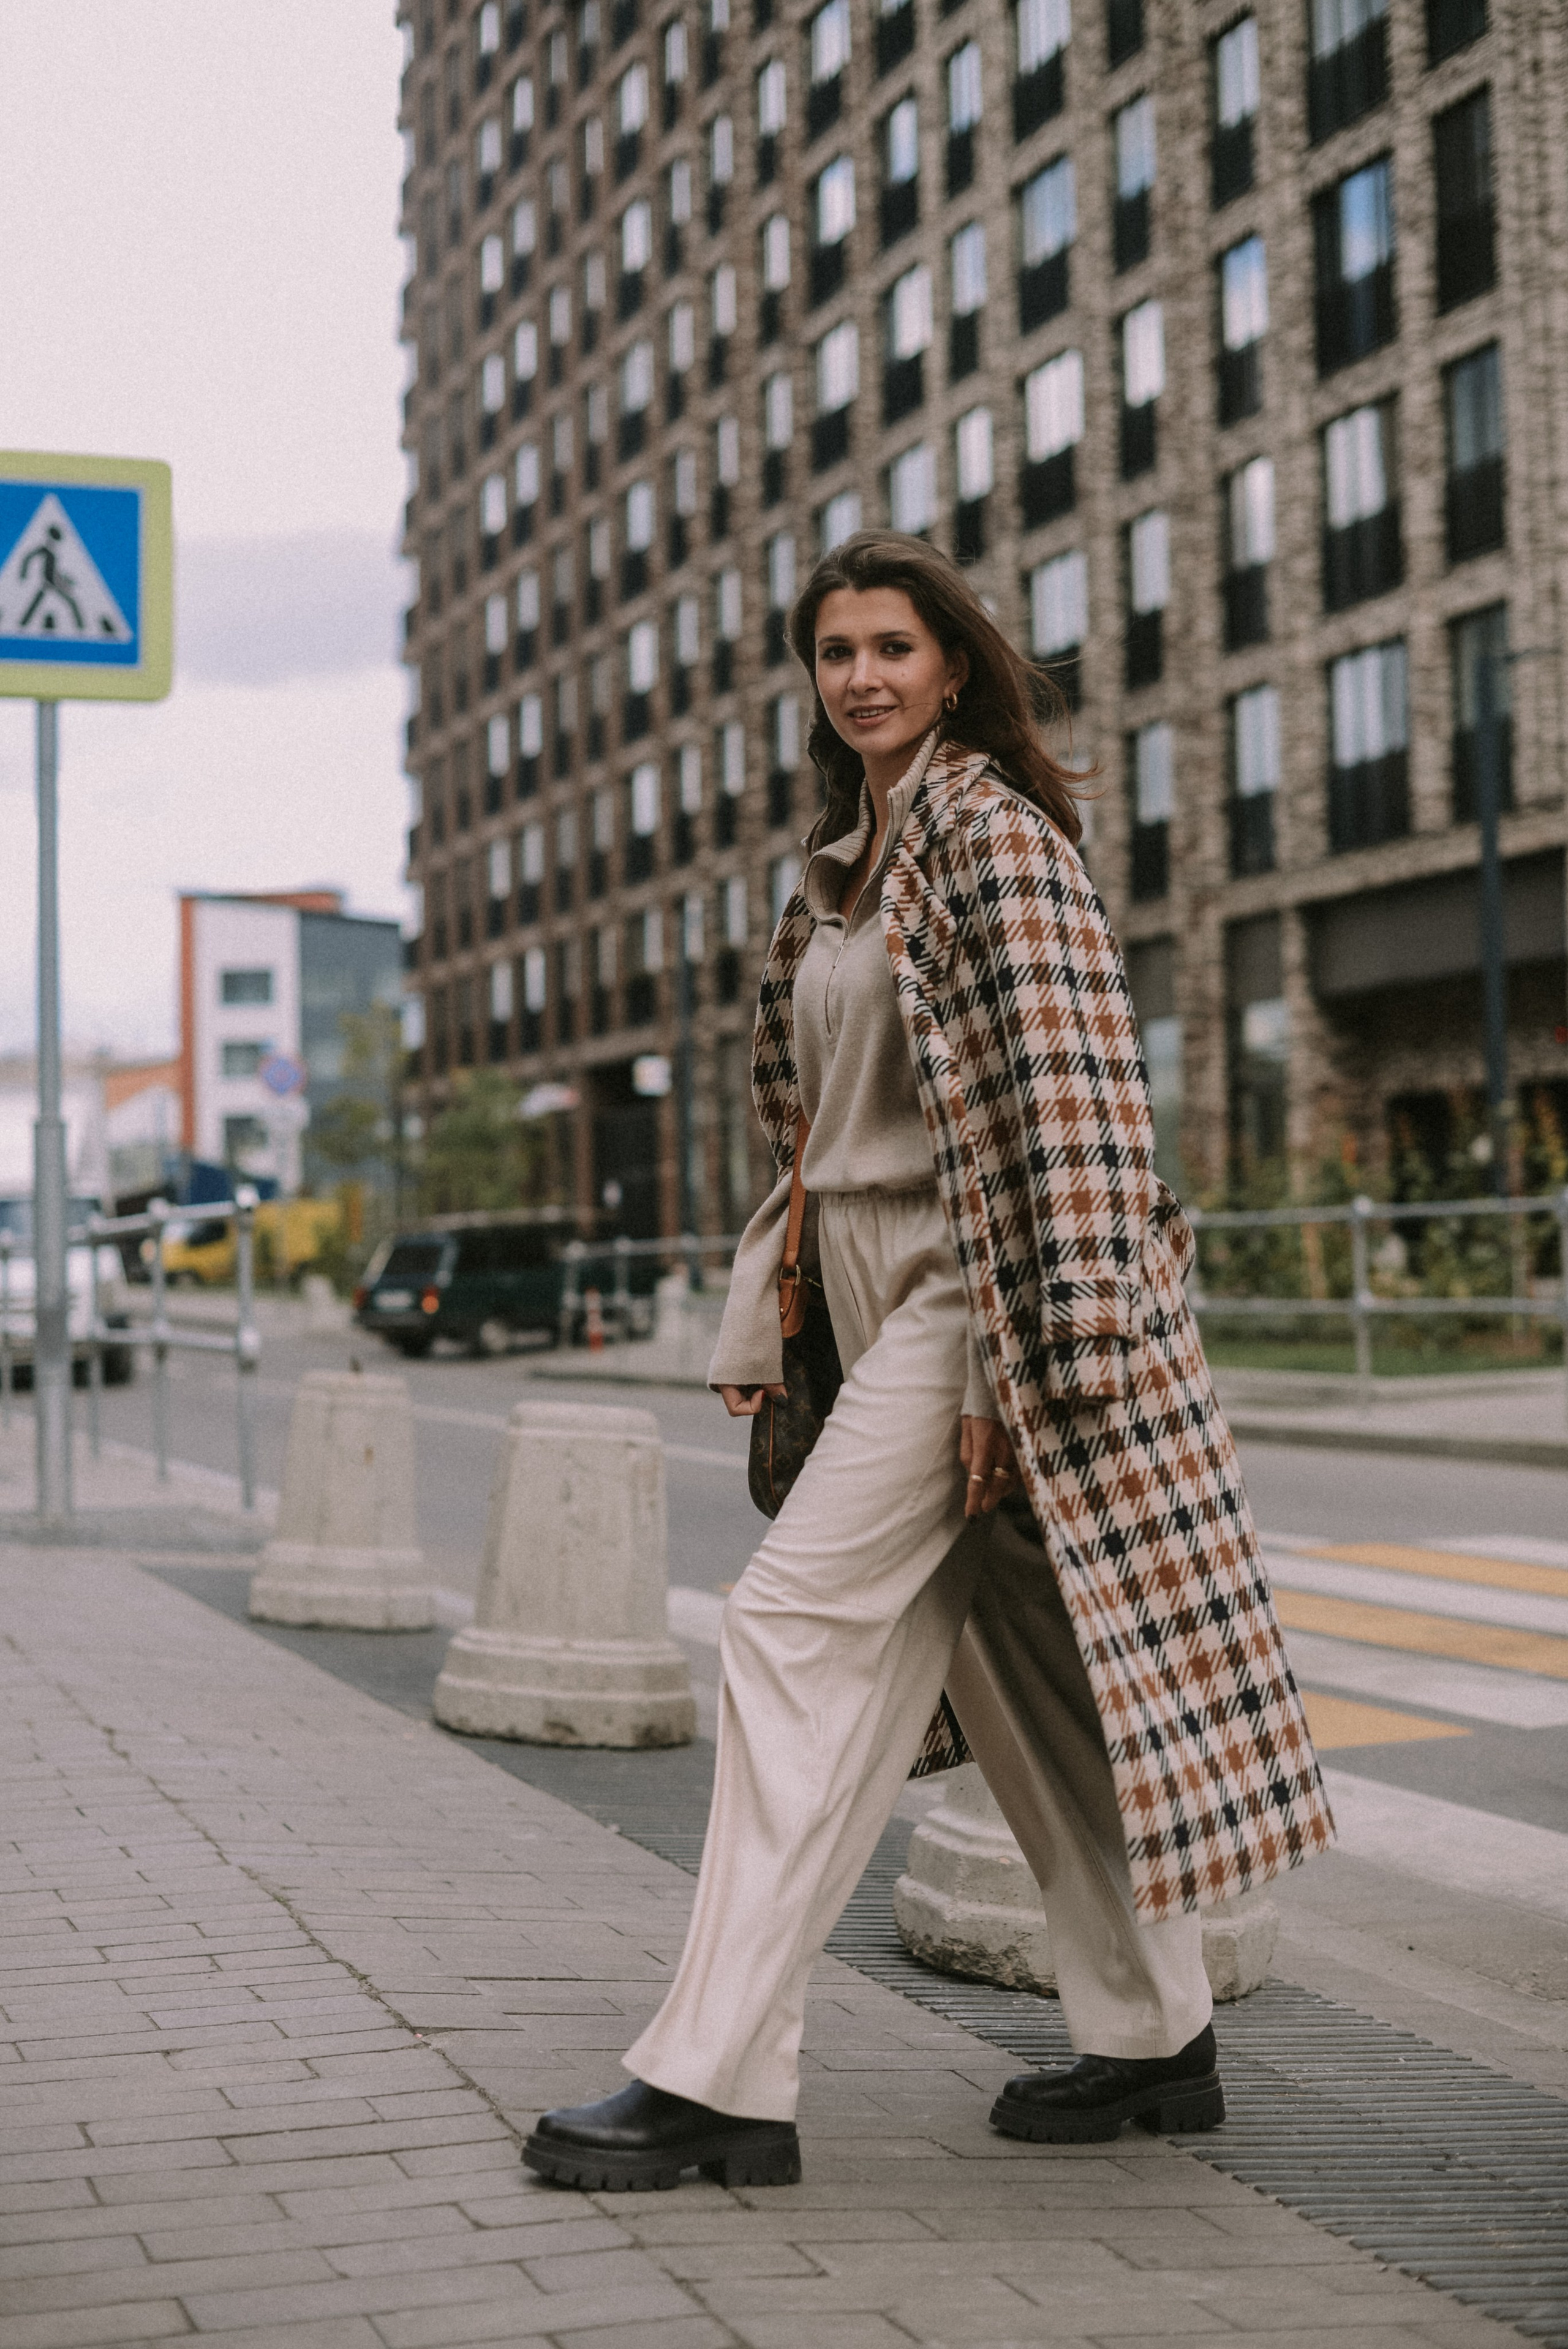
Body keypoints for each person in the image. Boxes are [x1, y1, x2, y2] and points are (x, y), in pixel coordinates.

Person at [525, 532, 1333, 2193]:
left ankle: (716, 2076)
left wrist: (1022, 1370)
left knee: (788, 1628)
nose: (863, 677)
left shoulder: (996, 836)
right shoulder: (842, 869)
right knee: (1020, 1670)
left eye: (892, 646)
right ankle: (1156, 2035)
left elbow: (1080, 1107)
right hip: (870, 1288)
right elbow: (814, 1132)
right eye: (836, 653)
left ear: (954, 666)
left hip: (980, 1299)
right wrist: (770, 1312)